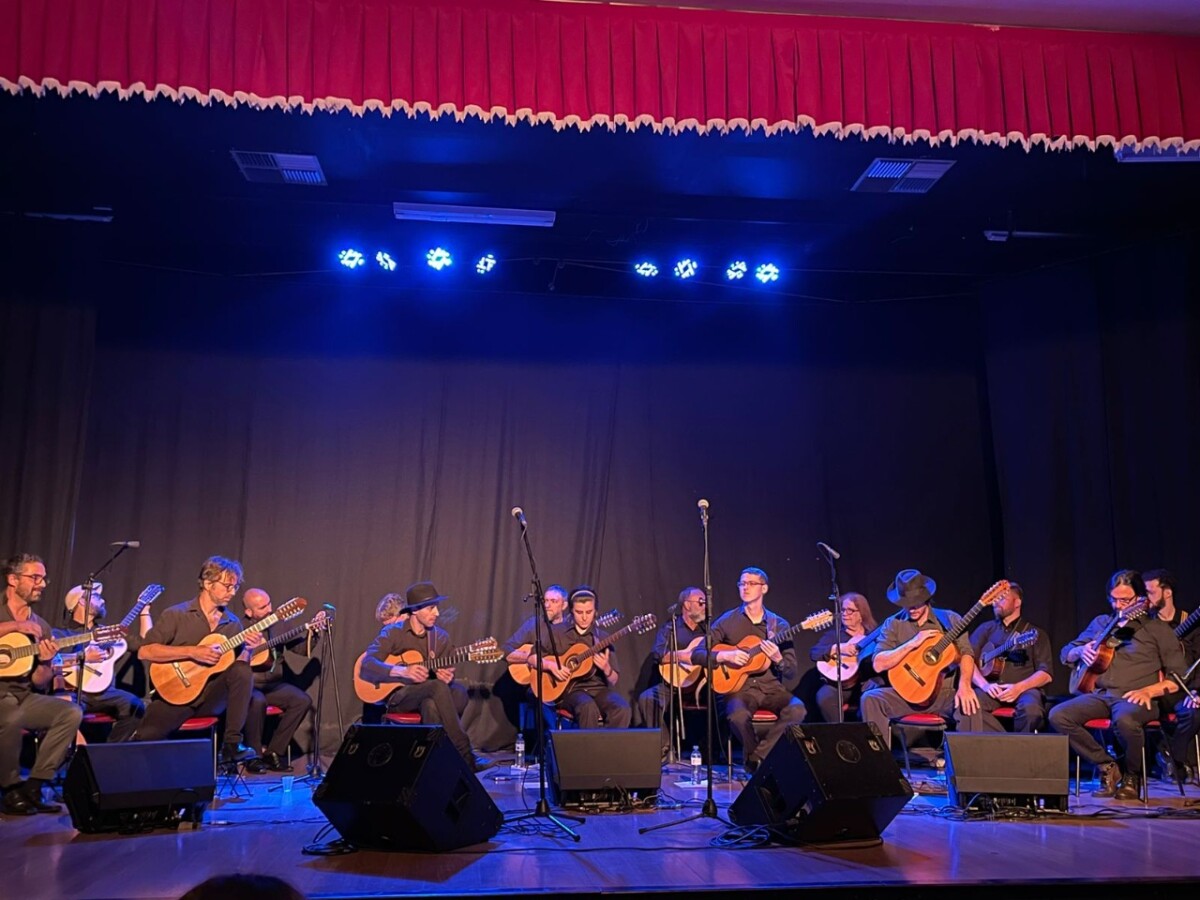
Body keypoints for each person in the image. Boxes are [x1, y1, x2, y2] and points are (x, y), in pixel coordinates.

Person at [1049, 569, 1185, 800]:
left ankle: (1133, 777)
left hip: (1137, 697)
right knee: (1058, 715)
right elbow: (1066, 652)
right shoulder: (1102, 623)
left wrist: (1148, 691)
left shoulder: (1158, 629)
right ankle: (1108, 766)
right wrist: (1080, 651)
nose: (1119, 605)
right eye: (1114, 599)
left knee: (1125, 720)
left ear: (1140, 599)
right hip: (1103, 694)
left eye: (1125, 600)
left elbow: (1179, 678)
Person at [135, 556, 260, 764]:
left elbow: (240, 671)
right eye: (228, 586)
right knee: (145, 739)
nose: (233, 592)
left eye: (236, 586)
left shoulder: (233, 623)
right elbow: (145, 652)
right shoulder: (177, 614)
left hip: (210, 698)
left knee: (242, 671)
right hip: (174, 696)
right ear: (208, 583)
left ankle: (231, 745)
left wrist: (248, 649)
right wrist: (192, 652)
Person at [358, 581, 493, 771]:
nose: (437, 613)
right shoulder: (393, 632)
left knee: (453, 693)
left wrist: (446, 676)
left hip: (427, 693)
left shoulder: (440, 637)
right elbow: (367, 664)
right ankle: (464, 753)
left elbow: (444, 673)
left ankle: (434, 761)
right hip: (399, 696)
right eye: (431, 608)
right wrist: (402, 671)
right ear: (414, 611)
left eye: (436, 607)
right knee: (436, 688)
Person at [691, 567, 805, 773]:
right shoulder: (727, 620)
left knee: (798, 710)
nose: (745, 588)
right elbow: (697, 654)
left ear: (764, 588)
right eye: (742, 583)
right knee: (737, 716)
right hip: (740, 689)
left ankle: (757, 758)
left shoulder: (779, 625)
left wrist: (778, 658)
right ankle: (759, 764)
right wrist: (725, 655)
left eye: (751, 583)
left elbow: (790, 671)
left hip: (771, 689)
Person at [860, 569, 982, 754]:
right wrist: (912, 643)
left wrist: (965, 685)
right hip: (906, 695)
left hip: (944, 694)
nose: (912, 608)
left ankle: (970, 771)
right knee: (870, 699)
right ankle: (881, 768)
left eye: (916, 603)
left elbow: (966, 654)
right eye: (907, 604)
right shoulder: (893, 624)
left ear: (926, 598)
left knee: (970, 703)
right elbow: (878, 663)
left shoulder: (949, 620)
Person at [0, 554, 83, 814]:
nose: (42, 584)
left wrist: (46, 662)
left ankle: (34, 786)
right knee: (10, 715)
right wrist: (14, 625)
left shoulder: (41, 627)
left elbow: (39, 681)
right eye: (35, 577)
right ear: (13, 579)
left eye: (43, 578)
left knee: (70, 712)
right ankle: (10, 788)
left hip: (22, 695)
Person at [53, 581, 148, 742]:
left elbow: (146, 646)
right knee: (65, 712)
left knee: (135, 706)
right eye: (97, 596)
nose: (103, 600)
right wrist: (83, 656)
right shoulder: (61, 634)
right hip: (74, 693)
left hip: (105, 693)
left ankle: (109, 754)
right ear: (81, 601)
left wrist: (144, 610)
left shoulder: (108, 632)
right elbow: (51, 662)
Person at [240, 588, 314, 773]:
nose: (269, 609)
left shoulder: (279, 624)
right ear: (249, 612)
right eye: (262, 607)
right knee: (257, 701)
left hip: (273, 684)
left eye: (269, 603)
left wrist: (314, 633)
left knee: (302, 700)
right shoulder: (238, 627)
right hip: (249, 685)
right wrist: (248, 649)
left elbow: (301, 650)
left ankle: (274, 752)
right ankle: (253, 755)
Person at [968, 581, 1053, 733]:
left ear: (1017, 602)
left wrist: (1019, 687)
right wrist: (984, 685)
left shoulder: (1034, 633)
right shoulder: (985, 629)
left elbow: (1045, 674)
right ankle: (1003, 742)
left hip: (1024, 690)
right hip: (991, 689)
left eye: (1002, 598)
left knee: (1031, 711)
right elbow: (967, 660)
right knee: (968, 704)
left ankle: (1017, 750)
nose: (995, 603)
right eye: (995, 599)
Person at [544, 586, 632, 728]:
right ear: (571, 611)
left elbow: (614, 679)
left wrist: (607, 668)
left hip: (598, 689)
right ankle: (588, 750)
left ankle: (608, 748)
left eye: (589, 612)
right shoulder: (557, 633)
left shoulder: (602, 638)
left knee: (622, 708)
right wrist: (551, 666)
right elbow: (533, 658)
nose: (584, 617)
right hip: (569, 690)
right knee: (587, 707)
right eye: (579, 612)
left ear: (595, 612)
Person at [1142, 569, 1200, 783]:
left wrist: (1194, 691)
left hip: (1180, 689)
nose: (1146, 598)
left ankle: (1169, 755)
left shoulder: (1190, 623)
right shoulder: (1145, 625)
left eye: (1151, 592)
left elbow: (1197, 662)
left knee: (1193, 712)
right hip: (1150, 689)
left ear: (1167, 593)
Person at [636, 586, 707, 757]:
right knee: (647, 698)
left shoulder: (708, 631)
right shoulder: (670, 628)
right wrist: (682, 656)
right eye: (700, 602)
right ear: (687, 605)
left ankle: (709, 753)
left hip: (702, 686)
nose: (705, 606)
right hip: (673, 685)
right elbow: (658, 655)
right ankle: (664, 748)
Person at [809, 592, 880, 723]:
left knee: (875, 692)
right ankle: (840, 736)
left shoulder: (873, 636)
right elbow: (814, 653)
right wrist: (838, 648)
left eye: (850, 610)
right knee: (824, 696)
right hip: (842, 686)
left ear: (861, 614)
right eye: (843, 610)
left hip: (867, 684)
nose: (845, 614)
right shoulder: (835, 635)